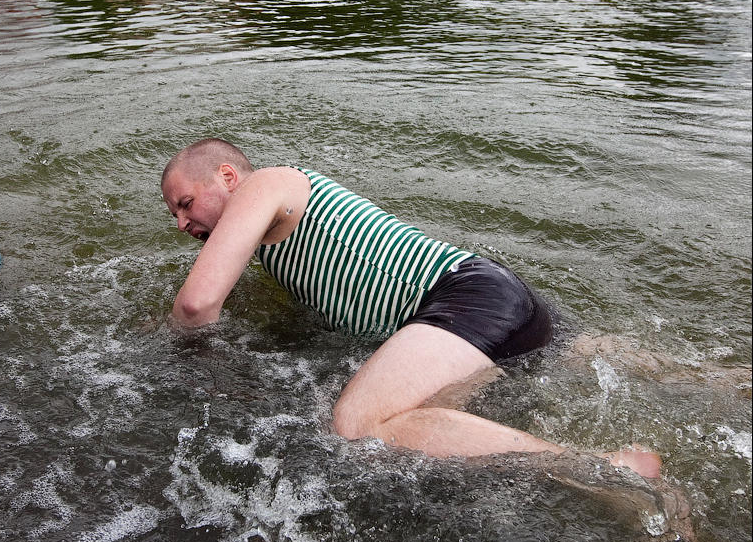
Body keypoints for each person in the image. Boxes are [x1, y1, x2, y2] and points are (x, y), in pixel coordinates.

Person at [161, 138, 662, 478]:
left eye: (185, 203)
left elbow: (198, 304)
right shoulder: (266, 239)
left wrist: (162, 348)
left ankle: (601, 466)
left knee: (356, 426)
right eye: (175, 215)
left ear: (228, 176)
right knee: (652, 371)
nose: (182, 223)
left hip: (463, 301)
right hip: (491, 303)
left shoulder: (268, 183)